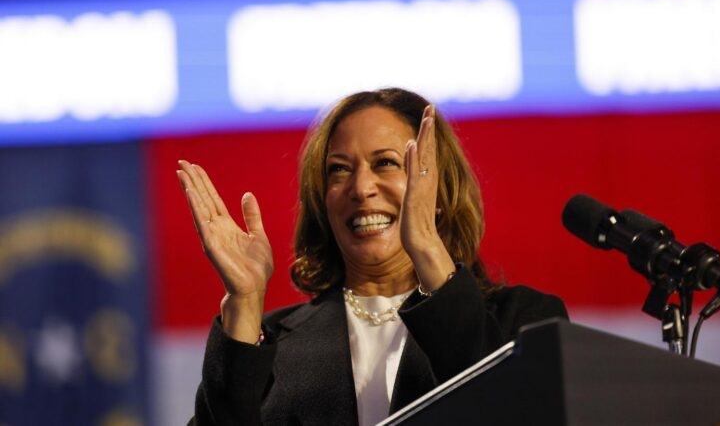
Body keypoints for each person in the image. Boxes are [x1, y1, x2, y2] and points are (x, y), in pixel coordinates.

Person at [177, 88, 567, 426]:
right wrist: (244, 303)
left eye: (385, 163)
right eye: (339, 170)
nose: (361, 188)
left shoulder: (525, 322)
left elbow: (507, 411)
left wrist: (428, 248)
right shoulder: (266, 344)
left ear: (438, 187)